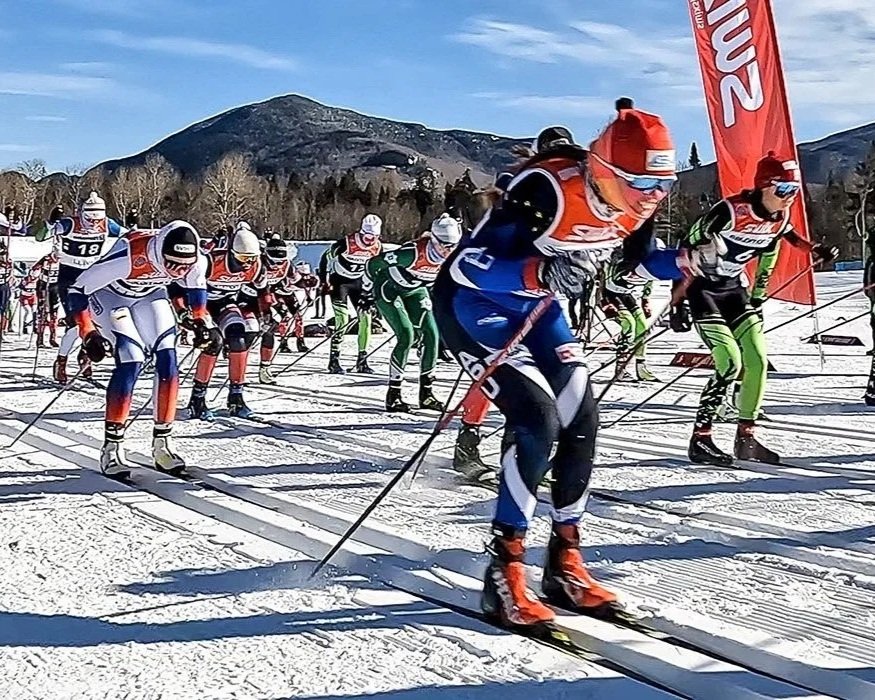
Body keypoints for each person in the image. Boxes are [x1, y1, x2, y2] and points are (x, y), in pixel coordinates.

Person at [432, 101, 699, 630]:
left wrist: (695, 259)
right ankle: (505, 569)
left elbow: (645, 259)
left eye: (663, 185)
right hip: (473, 306)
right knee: (536, 417)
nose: (652, 196)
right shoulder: (545, 188)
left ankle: (564, 561)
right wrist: (541, 274)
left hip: (538, 309)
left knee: (582, 416)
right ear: (605, 170)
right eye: (643, 184)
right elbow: (470, 266)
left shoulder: (633, 199)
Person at [676, 152, 837, 467]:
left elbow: (789, 238)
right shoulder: (730, 211)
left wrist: (815, 249)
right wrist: (677, 300)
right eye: (784, 190)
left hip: (733, 291)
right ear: (764, 186)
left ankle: (746, 439)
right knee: (729, 362)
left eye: (794, 190)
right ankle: (701, 439)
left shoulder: (779, 218)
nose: (789, 197)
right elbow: (686, 246)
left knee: (757, 360)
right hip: (703, 291)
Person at [67, 221, 209, 478]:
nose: (177, 271)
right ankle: (112, 448)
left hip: (149, 294)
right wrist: (88, 332)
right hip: (109, 295)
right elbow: (77, 289)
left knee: (168, 358)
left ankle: (162, 444)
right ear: (160, 251)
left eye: (184, 266)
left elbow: (197, 289)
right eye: (171, 263)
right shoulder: (130, 257)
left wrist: (200, 322)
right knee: (131, 358)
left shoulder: (198, 261)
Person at [364, 213, 462, 412]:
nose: (448, 250)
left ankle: (426, 394)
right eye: (444, 245)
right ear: (434, 239)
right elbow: (373, 263)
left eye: (453, 246)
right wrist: (365, 292)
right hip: (389, 288)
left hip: (416, 291)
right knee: (406, 335)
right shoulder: (412, 253)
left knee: (432, 335)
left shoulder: (452, 257)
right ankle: (394, 395)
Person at [184, 222, 273, 420]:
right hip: (201, 304)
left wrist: (267, 312)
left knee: (238, 340)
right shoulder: (211, 261)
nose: (247, 263)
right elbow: (184, 286)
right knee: (213, 341)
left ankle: (236, 398)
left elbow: (263, 291)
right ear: (231, 253)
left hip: (224, 303)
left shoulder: (256, 266)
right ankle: (197, 399)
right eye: (242, 258)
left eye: (252, 258)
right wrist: (189, 315)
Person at [35, 194, 126, 383]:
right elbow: (40, 237)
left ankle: (85, 354)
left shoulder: (107, 224)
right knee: (75, 324)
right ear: (82, 214)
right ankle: (61, 360)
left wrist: (133, 227)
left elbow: (128, 237)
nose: (93, 224)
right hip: (69, 277)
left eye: (97, 220)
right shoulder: (70, 224)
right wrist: (50, 223)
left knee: (95, 320)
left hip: (93, 276)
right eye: (90, 219)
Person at [318, 214, 383, 374]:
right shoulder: (346, 243)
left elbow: (377, 267)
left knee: (366, 319)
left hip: (358, 283)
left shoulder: (377, 247)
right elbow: (325, 258)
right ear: (361, 232)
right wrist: (324, 280)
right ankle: (334, 360)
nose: (370, 241)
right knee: (342, 320)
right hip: (340, 283)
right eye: (367, 237)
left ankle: (362, 360)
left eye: (374, 237)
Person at [239, 235, 292, 385]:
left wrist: (311, 282)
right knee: (251, 329)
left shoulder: (286, 265)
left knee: (269, 330)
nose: (277, 265)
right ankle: (239, 370)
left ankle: (264, 370)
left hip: (264, 300)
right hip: (245, 299)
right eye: (274, 261)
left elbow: (294, 280)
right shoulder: (255, 263)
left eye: (281, 261)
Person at [603, 245, 659, 382]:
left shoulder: (651, 265)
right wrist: (604, 303)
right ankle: (621, 369)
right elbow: (601, 276)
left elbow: (649, 282)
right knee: (629, 324)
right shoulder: (620, 257)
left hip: (627, 294)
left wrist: (645, 299)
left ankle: (641, 368)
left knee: (642, 327)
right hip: (609, 294)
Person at [31, 251, 61, 347]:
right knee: (42, 312)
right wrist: (42, 265)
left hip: (55, 288)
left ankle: (53, 338)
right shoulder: (45, 259)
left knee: (54, 314)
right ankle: (40, 338)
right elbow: (34, 269)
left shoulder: (63, 260)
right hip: (43, 287)